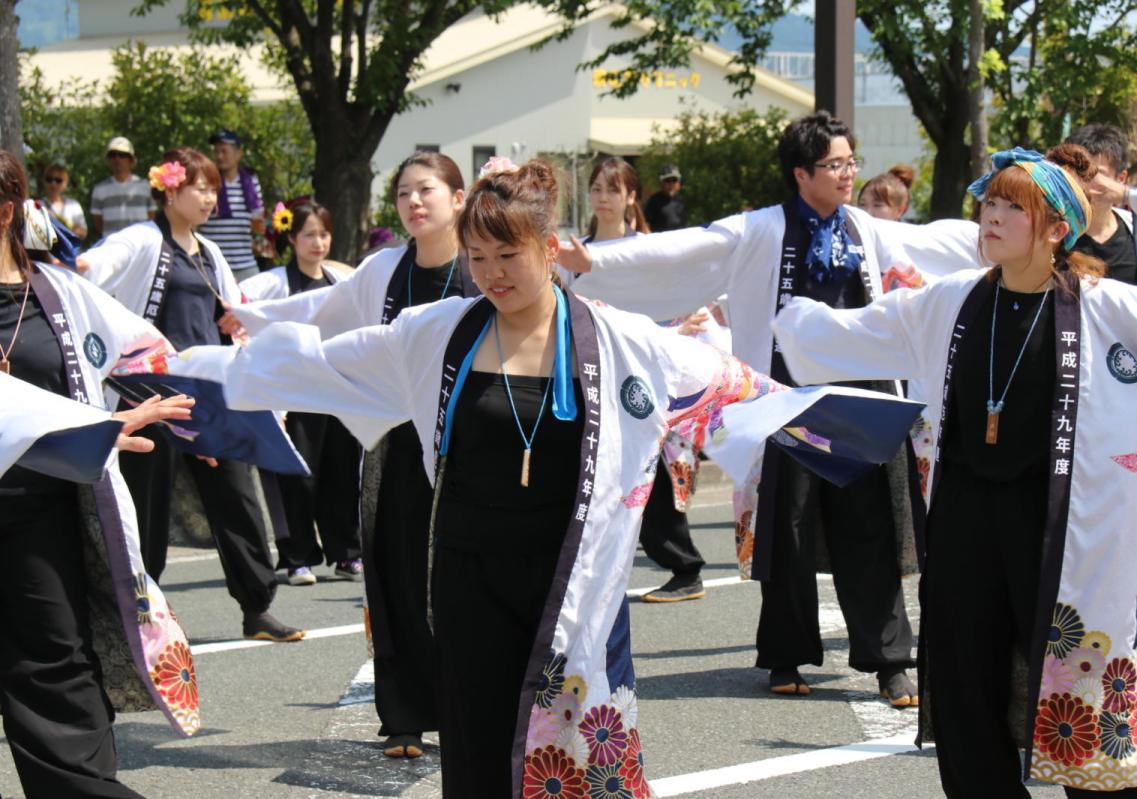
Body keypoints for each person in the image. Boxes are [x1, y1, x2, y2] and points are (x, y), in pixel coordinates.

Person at [166, 159, 812, 798]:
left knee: (575, 743)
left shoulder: (620, 339)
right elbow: (322, 362)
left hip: (573, 576)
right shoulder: (437, 333)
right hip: (467, 572)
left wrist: (826, 423)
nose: (492, 274)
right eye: (478, 257)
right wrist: (189, 370)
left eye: (508, 255)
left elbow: (731, 386)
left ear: (550, 247)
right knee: (476, 739)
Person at [773, 144, 1137, 797]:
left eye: (1014, 206)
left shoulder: (1106, 306)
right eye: (989, 201)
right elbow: (848, 332)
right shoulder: (953, 299)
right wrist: (782, 318)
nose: (992, 215)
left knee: (1082, 683)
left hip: (1059, 529)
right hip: (963, 518)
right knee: (962, 685)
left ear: (1055, 228)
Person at [559, 111, 984, 707]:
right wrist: (597, 263)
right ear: (801, 172)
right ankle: (785, 654)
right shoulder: (759, 229)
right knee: (786, 529)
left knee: (873, 531)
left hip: (863, 394)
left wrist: (1005, 232)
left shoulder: (865, 226)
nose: (847, 173)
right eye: (835, 164)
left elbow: (933, 242)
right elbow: (686, 250)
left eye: (849, 162)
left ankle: (889, 660)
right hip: (785, 397)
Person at [228, 151, 478, 759]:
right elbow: (320, 317)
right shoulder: (382, 271)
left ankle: (473, 709)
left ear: (459, 196)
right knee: (393, 574)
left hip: (468, 450)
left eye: (426, 190)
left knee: (463, 581)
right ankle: (404, 718)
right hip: (394, 447)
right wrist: (253, 321)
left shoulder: (482, 267)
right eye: (402, 194)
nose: (413, 203)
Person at [0, 151, 202, 797]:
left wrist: (137, 413)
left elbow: (150, 350)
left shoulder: (59, 291)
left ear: (4, 212)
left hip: (38, 515)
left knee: (55, 673)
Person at [77, 146, 305, 644]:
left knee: (238, 496)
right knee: (146, 505)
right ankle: (142, 609)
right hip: (151, 391)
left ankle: (256, 605)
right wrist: (85, 264)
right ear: (170, 188)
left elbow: (236, 316)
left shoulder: (211, 251)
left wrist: (237, 323)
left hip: (207, 391)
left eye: (214, 191)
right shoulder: (142, 239)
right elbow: (97, 265)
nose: (209, 199)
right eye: (200, 188)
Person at [586, 156, 709, 602]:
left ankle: (684, 565)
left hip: (646, 379)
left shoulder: (648, 252)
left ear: (631, 197)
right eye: (596, 188)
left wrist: (674, 332)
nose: (602, 198)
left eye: (612, 190)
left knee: (652, 473)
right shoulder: (574, 252)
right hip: (595, 377)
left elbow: (682, 304)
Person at [240, 200, 364, 584]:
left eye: (324, 233)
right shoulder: (271, 282)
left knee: (341, 472)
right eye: (309, 234)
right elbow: (236, 305)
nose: (318, 242)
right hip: (293, 393)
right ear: (291, 237)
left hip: (335, 388)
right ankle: (297, 555)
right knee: (297, 475)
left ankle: (346, 552)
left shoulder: (339, 282)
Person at [1064, 124, 1137, 285]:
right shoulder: (1054, 236)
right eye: (1078, 172)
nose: (1084, 184)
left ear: (1120, 179)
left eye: (1096, 174)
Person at [198, 129, 266, 282]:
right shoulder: (208, 182)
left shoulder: (251, 182)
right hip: (213, 264)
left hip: (245, 263)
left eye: (224, 151)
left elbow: (258, 218)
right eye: (216, 152)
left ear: (238, 153)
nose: (219, 156)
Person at [89, 136, 155, 237]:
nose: (117, 159)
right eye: (113, 155)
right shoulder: (99, 189)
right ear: (108, 160)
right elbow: (98, 223)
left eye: (122, 155)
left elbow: (151, 216)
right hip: (111, 246)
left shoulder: (146, 186)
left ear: (131, 160)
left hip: (141, 245)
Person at [41, 163, 88, 239]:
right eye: (49, 179)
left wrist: (73, 232)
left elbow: (83, 232)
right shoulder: (37, 206)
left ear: (65, 183)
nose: (53, 184)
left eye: (58, 180)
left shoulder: (73, 205)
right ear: (44, 181)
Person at [643, 163, 686, 231]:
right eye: (667, 180)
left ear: (679, 183)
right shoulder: (653, 202)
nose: (671, 184)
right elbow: (644, 224)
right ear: (661, 183)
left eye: (674, 180)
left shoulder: (681, 201)